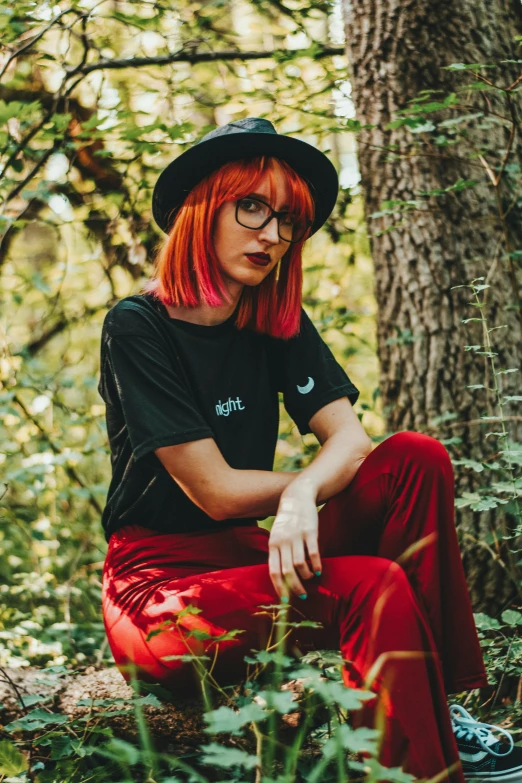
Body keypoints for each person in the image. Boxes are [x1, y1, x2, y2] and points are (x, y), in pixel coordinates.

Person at [98, 117, 522, 782]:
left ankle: (434, 705)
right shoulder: (137, 325)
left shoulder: (271, 318)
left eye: (287, 218)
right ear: (203, 207)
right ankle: (414, 768)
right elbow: (211, 488)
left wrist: (300, 493)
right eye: (253, 207)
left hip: (249, 557)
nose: (271, 234)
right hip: (160, 594)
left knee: (414, 458)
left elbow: (352, 441)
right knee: (370, 585)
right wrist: (300, 486)